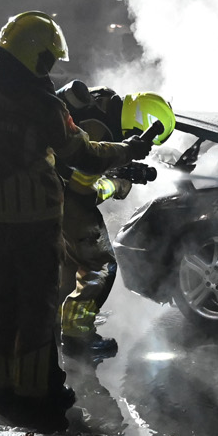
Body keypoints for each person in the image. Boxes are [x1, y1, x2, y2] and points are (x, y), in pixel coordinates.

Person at [0, 12, 153, 408]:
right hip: (34, 226)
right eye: (48, 59)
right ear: (33, 56)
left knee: (2, 306)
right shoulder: (42, 106)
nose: (49, 68)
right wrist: (128, 150)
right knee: (37, 310)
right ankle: (39, 392)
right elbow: (84, 154)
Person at [54, 83, 175, 358]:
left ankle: (58, 323)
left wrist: (119, 167)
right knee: (100, 265)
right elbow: (84, 191)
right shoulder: (100, 131)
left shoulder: (101, 102)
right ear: (140, 126)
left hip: (47, 195)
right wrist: (117, 185)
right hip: (65, 200)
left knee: (70, 263)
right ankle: (78, 336)